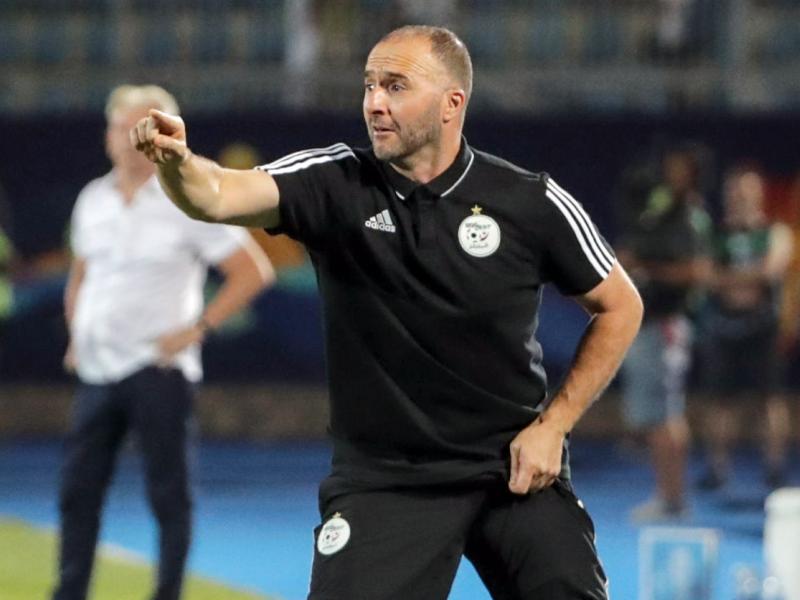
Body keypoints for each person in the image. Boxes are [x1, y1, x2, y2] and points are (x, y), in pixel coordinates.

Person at [132, 26, 642, 599]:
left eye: (396, 86)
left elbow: (621, 305)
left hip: (512, 469)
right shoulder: (333, 181)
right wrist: (176, 162)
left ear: (453, 103)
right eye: (370, 85)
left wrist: (554, 426)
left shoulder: (530, 200)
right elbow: (217, 195)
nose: (375, 102)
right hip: (385, 480)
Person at [53, 85, 274, 600]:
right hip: (96, 369)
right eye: (121, 127)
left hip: (158, 368)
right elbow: (80, 274)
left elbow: (252, 271)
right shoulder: (92, 199)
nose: (129, 140)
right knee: (76, 493)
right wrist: (75, 334)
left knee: (168, 497)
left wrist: (197, 329)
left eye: (141, 129)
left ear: (161, 136)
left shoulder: (185, 199)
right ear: (108, 135)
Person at [617, 146, 712, 521]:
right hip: (650, 322)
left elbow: (697, 271)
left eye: (679, 167)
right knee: (661, 413)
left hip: (667, 323)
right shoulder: (661, 210)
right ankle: (671, 496)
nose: (670, 173)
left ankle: (672, 499)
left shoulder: (691, 216)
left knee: (665, 414)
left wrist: (644, 266)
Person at [697, 166, 794, 490]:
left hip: (762, 327)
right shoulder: (715, 234)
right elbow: (705, 276)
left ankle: (774, 466)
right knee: (719, 401)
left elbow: (770, 273)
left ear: (758, 193)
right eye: (733, 191)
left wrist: (728, 280)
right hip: (723, 327)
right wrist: (742, 279)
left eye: (745, 190)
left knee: (770, 399)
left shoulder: (775, 232)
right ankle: (717, 469)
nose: (738, 197)